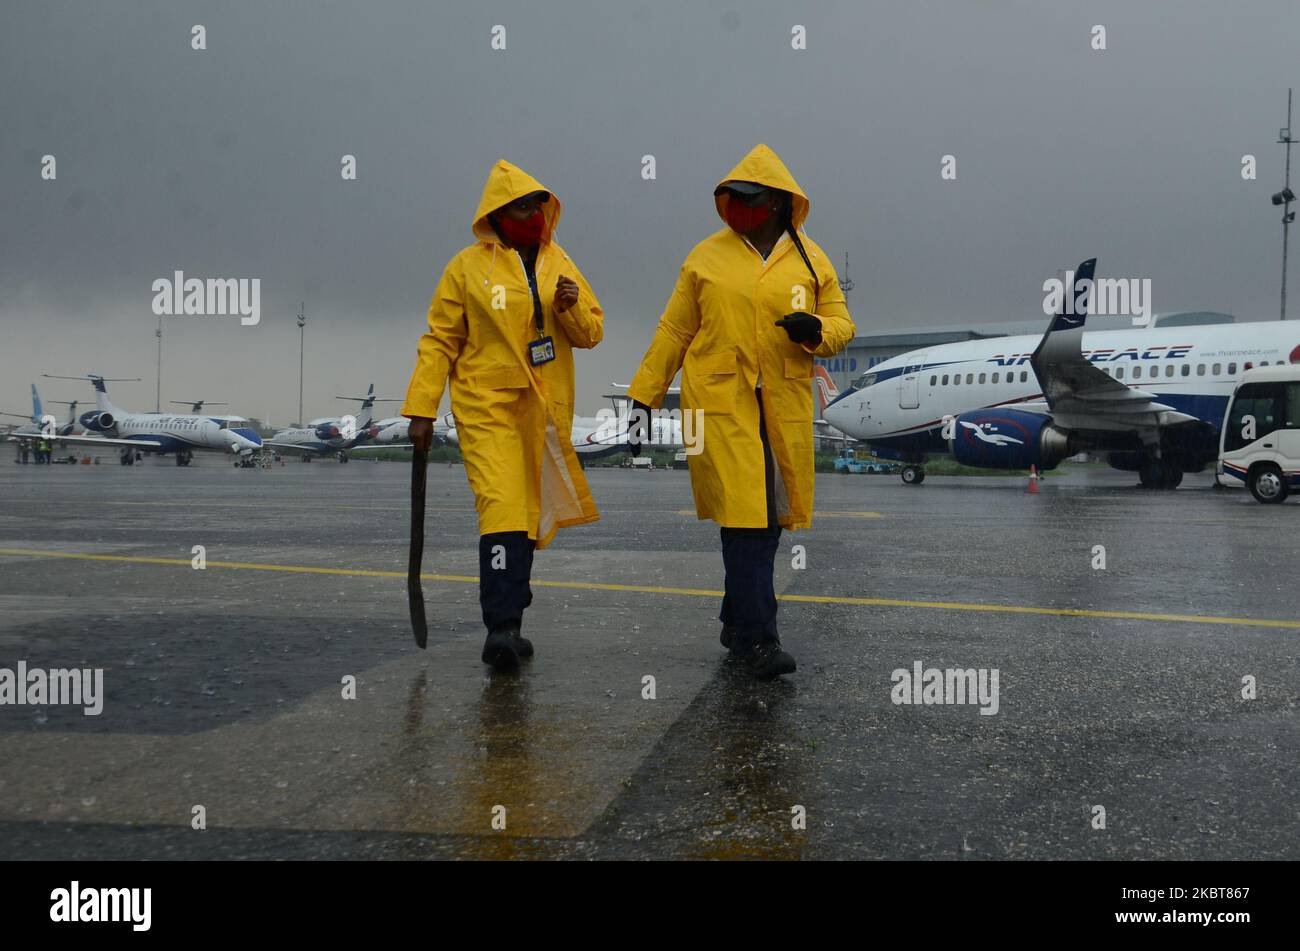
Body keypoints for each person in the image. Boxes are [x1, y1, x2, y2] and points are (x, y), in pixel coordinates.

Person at [627, 144, 855, 679]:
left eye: (751, 199)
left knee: (770, 519)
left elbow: (844, 326)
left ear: (778, 202)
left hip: (782, 404)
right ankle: (757, 639)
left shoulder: (810, 260)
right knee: (745, 520)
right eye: (732, 199)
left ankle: (736, 616)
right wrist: (643, 400)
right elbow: (674, 332)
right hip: (719, 405)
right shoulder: (704, 259)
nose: (740, 209)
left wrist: (816, 331)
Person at [402, 159, 603, 671]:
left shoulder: (562, 263)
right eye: (521, 206)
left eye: (539, 205)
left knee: (528, 514)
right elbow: (440, 340)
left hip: (543, 407)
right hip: (486, 405)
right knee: (502, 510)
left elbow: (590, 334)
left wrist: (572, 306)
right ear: (497, 213)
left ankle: (512, 614)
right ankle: (501, 627)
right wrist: (422, 409)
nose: (533, 214)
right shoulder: (467, 267)